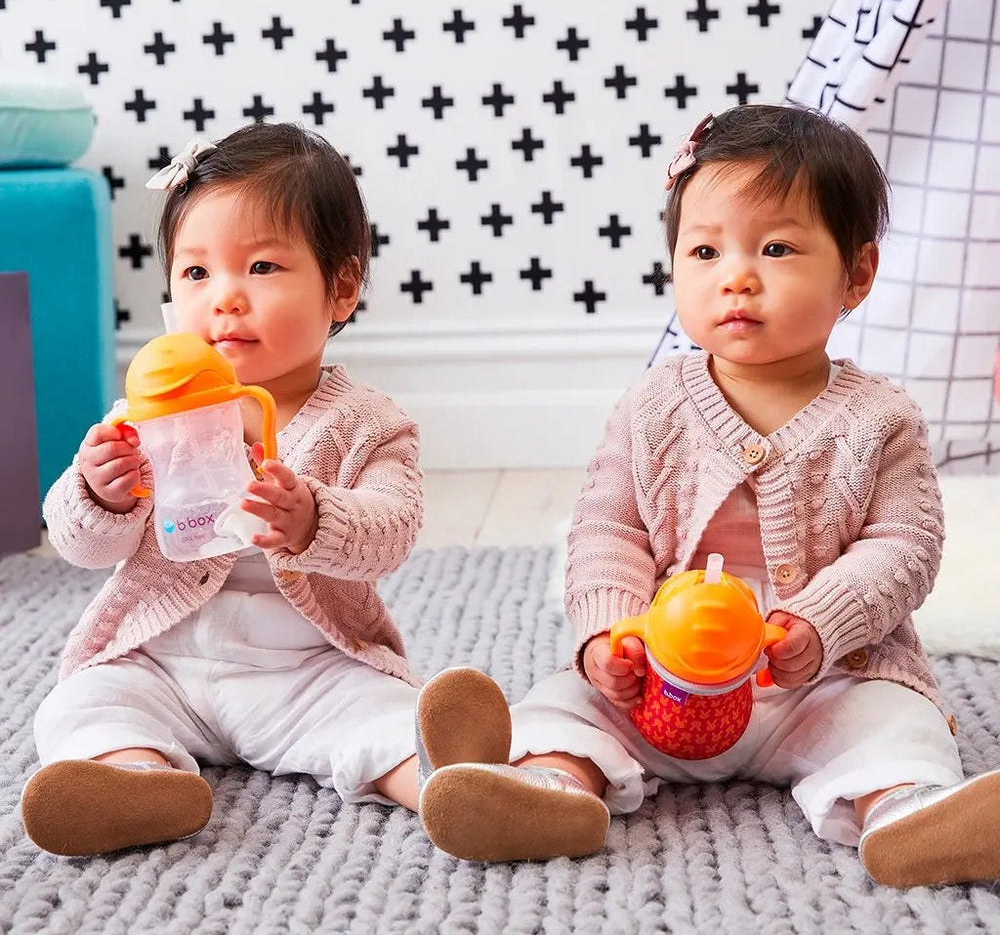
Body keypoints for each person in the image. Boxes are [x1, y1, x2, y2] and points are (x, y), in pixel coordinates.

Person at [415, 104, 1000, 888]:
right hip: (665, 677)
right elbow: (606, 529)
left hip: (823, 680)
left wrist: (821, 624)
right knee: (570, 702)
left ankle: (907, 812)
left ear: (856, 275)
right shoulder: (653, 406)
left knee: (895, 721)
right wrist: (611, 634)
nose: (737, 275)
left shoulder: (880, 419)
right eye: (704, 250)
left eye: (778, 248)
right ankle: (545, 786)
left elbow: (905, 546)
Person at [21, 123, 448, 856]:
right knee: (83, 703)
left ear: (339, 288)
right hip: (160, 658)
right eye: (196, 273)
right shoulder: (150, 414)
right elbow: (80, 546)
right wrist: (100, 494)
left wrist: (315, 518)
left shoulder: (368, 423)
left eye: (260, 267)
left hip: (304, 667)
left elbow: (393, 531)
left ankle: (447, 785)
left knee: (383, 714)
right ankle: (135, 778)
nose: (224, 299)